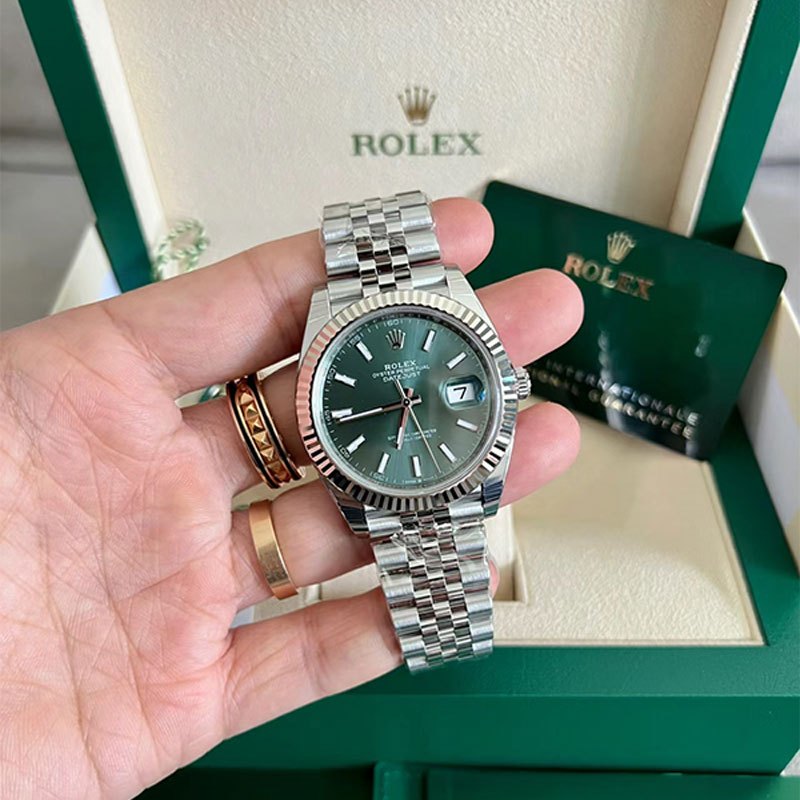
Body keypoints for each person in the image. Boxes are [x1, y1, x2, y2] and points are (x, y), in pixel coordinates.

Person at [0, 198, 582, 799]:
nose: (408, 402)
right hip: (379, 471)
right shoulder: (334, 392)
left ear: (508, 383)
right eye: (402, 400)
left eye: (411, 399)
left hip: (433, 465)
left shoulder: (462, 368)